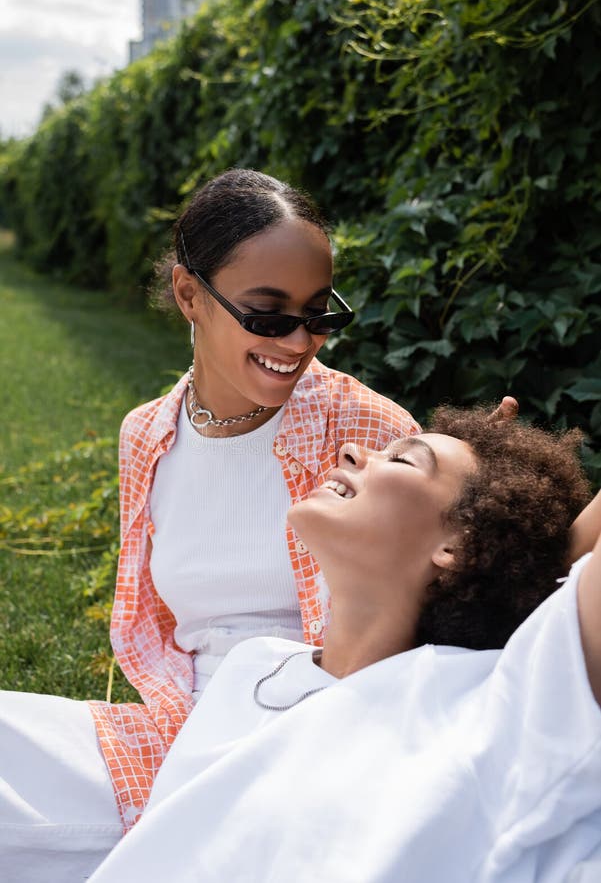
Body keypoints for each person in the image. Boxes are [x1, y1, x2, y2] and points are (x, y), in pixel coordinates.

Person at [2, 168, 431, 883]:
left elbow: (428, 619)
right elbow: (160, 633)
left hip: (312, 743)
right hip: (178, 732)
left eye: (318, 315)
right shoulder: (146, 436)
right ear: (188, 295)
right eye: (267, 316)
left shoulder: (367, 428)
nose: (297, 343)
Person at [87, 407, 601, 883]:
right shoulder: (255, 666)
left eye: (401, 458)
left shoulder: (487, 702)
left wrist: (522, 538)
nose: (354, 451)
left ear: (458, 543)